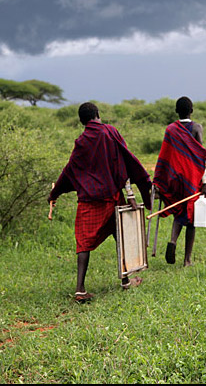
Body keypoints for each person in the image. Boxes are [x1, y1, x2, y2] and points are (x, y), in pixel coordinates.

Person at [48, 102, 152, 303]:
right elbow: (123, 164)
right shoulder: (110, 133)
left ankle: (80, 289)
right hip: (112, 197)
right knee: (119, 236)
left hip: (89, 200)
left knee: (83, 242)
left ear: (82, 121)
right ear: (97, 115)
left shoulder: (82, 141)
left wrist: (55, 192)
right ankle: (125, 281)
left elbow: (70, 169)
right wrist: (130, 193)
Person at [153, 97, 206, 267]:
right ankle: (187, 260)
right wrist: (204, 182)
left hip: (175, 179)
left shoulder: (170, 129)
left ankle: (172, 240)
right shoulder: (197, 128)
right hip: (192, 179)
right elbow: (200, 158)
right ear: (191, 110)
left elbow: (165, 157)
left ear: (176, 111)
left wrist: (159, 181)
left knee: (179, 210)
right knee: (192, 219)